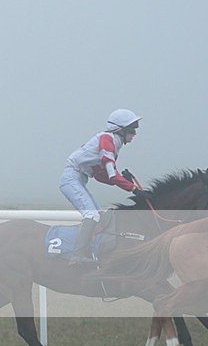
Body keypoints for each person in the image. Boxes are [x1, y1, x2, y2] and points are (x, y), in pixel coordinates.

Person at [59, 109, 150, 265]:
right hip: (71, 179)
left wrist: (128, 183)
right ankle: (77, 255)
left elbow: (103, 176)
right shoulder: (107, 139)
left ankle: (90, 250)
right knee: (92, 215)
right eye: (132, 130)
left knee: (98, 216)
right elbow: (112, 175)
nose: (134, 134)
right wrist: (132, 188)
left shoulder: (114, 143)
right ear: (121, 130)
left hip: (79, 179)